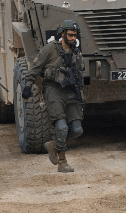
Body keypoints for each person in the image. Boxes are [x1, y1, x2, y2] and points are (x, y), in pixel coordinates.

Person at [21, 20, 85, 173]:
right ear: (62, 34)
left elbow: (79, 76)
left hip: (71, 92)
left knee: (77, 130)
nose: (73, 38)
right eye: (70, 35)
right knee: (62, 127)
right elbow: (35, 67)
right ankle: (62, 162)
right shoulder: (50, 49)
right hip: (53, 90)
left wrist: (81, 97)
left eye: (75, 35)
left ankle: (53, 145)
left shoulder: (76, 52)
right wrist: (28, 86)